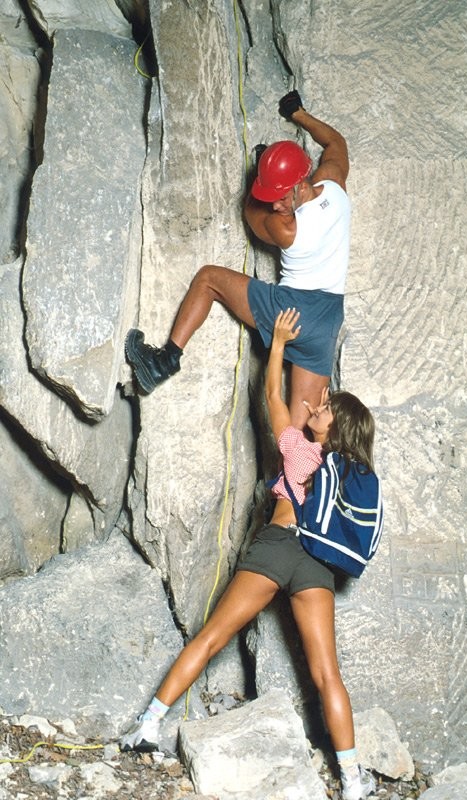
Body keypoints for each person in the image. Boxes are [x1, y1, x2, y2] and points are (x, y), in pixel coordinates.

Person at [120, 309, 376, 800]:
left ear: (333, 425)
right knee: (328, 675)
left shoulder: (302, 451)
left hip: (279, 548)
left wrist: (278, 343)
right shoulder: (350, 475)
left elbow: (273, 397)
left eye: (325, 408)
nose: (318, 406)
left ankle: (148, 726)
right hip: (318, 564)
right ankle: (353, 780)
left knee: (214, 636)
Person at [125, 90, 350, 429]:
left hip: (291, 309)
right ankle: (304, 482)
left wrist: (255, 180)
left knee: (208, 279)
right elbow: (335, 143)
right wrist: (299, 114)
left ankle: (164, 360)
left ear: (298, 186)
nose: (275, 205)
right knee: (303, 427)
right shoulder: (334, 185)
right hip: (328, 320)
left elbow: (250, 211)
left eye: (279, 197)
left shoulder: (287, 228)